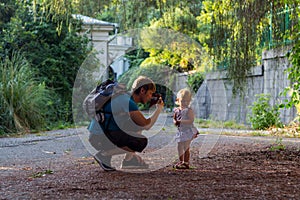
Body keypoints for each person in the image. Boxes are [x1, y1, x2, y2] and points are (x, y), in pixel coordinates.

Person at [88, 76, 164, 171]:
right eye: (150, 93)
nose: (150, 97)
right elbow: (146, 125)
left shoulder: (125, 97)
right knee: (140, 142)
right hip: (99, 138)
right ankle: (103, 155)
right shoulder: (127, 101)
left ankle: (129, 160)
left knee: (136, 126)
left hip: (99, 135)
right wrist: (158, 109)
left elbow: (138, 125)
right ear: (142, 90)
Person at [173, 88, 199, 169]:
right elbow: (174, 118)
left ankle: (186, 162)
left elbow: (191, 120)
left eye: (187, 101)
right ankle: (181, 161)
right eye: (182, 101)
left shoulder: (188, 110)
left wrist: (181, 121)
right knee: (179, 146)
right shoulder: (176, 110)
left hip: (188, 131)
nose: (185, 103)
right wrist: (175, 122)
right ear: (178, 100)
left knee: (186, 147)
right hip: (180, 131)